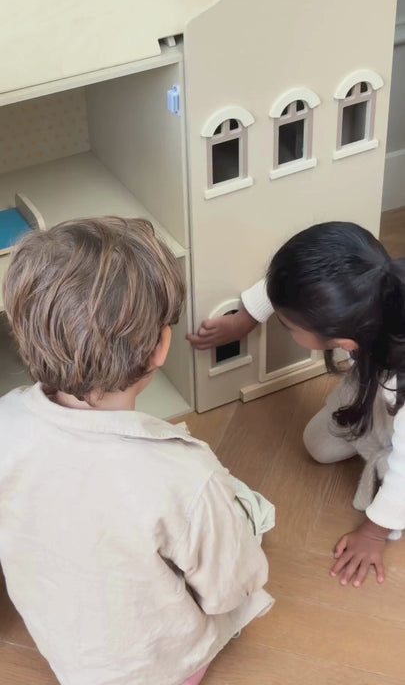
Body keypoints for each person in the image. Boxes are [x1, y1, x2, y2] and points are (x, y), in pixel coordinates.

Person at [0, 216, 275, 685]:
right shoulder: (185, 476)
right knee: (251, 511)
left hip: (69, 658)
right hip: (157, 669)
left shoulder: (7, 418)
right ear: (161, 347)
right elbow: (229, 589)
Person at [188, 221, 405, 588]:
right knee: (318, 446)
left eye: (289, 326)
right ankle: (382, 437)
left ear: (342, 340)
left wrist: (373, 533)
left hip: (394, 398)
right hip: (375, 389)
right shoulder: (362, 288)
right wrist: (245, 319)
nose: (284, 326)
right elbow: (290, 287)